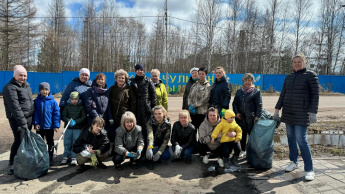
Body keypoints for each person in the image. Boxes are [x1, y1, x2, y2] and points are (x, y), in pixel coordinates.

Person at [273, 53, 319, 181]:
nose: (297, 64)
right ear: (292, 63)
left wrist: (313, 112)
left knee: (301, 139)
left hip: (302, 113)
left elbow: (315, 95)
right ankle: (294, 162)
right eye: (294, 62)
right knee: (291, 138)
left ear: (304, 62)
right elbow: (283, 94)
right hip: (288, 112)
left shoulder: (311, 75)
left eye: (299, 61)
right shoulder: (289, 77)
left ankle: (309, 169)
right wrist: (277, 110)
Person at [3, 65, 34, 175]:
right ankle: (12, 162)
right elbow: (15, 107)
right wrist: (23, 123)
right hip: (17, 120)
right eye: (20, 75)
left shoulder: (26, 86)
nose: (23, 77)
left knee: (26, 140)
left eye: (25, 75)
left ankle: (23, 160)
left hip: (28, 118)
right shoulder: (10, 88)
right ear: (15, 76)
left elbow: (30, 103)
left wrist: (33, 117)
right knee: (19, 140)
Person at [232, 73, 262, 158]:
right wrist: (236, 113)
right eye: (246, 80)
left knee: (252, 136)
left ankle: (252, 151)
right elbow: (234, 104)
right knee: (242, 135)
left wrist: (257, 116)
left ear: (252, 81)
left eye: (249, 80)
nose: (247, 82)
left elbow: (259, 105)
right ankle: (243, 150)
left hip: (251, 118)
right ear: (243, 81)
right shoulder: (239, 92)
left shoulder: (256, 92)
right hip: (241, 118)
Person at [33, 82, 60, 165]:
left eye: (46, 89)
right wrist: (36, 123)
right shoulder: (36, 101)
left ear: (49, 90)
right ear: (39, 90)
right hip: (40, 127)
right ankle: (40, 157)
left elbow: (56, 114)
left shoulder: (53, 102)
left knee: (50, 142)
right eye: (42, 90)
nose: (44, 91)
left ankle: (50, 157)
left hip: (49, 127)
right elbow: (35, 113)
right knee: (39, 143)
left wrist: (56, 125)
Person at [130, 64, 156, 145]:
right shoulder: (132, 81)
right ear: (135, 71)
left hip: (146, 107)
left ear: (143, 71)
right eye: (138, 70)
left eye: (141, 70)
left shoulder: (148, 81)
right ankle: (138, 145)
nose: (139, 71)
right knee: (137, 126)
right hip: (136, 107)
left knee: (147, 127)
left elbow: (153, 95)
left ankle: (148, 145)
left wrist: (152, 108)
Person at [109, 69, 137, 143]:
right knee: (112, 135)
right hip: (113, 117)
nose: (121, 79)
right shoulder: (112, 89)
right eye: (119, 77)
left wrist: (131, 115)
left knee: (123, 135)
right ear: (116, 78)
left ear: (125, 79)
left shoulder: (129, 89)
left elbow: (134, 103)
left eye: (123, 78)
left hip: (124, 118)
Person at [61, 91, 87, 166]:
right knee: (67, 141)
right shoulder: (67, 106)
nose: (74, 101)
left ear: (78, 99)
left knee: (75, 141)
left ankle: (74, 156)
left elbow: (83, 117)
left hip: (77, 128)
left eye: (76, 99)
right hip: (68, 128)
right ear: (70, 99)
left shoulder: (81, 107)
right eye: (72, 99)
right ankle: (66, 156)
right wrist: (68, 120)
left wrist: (76, 122)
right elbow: (64, 115)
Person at [145, 105, 171, 170]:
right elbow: (150, 135)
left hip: (161, 143)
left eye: (159, 113)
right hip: (152, 142)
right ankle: (149, 161)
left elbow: (166, 140)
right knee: (149, 151)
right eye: (155, 114)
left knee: (166, 156)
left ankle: (157, 156)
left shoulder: (167, 124)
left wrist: (159, 152)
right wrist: (150, 147)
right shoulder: (150, 122)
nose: (157, 116)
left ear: (164, 113)